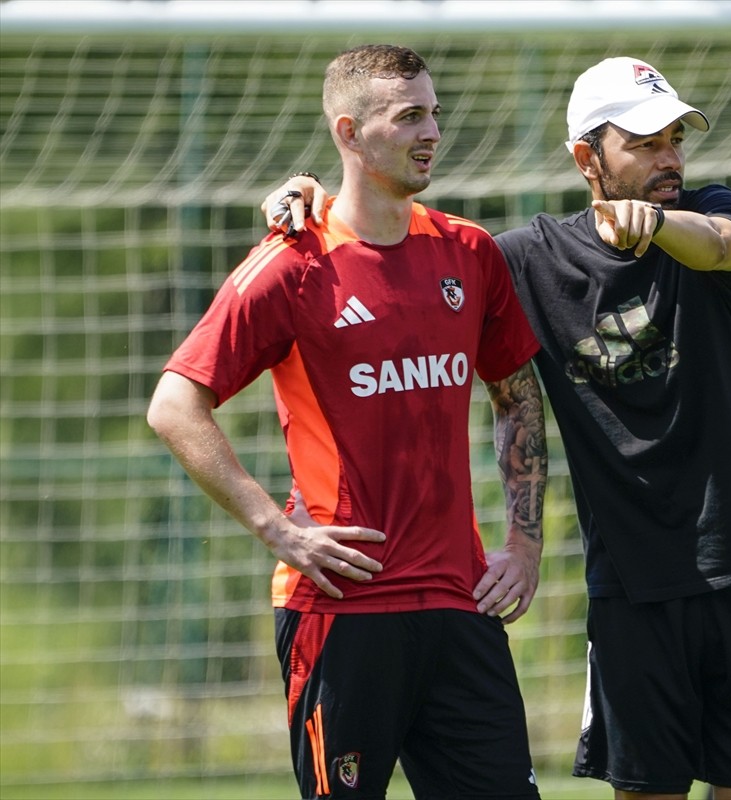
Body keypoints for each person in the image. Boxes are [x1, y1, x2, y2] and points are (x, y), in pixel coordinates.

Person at [265, 56, 731, 799]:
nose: (671, 158)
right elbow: (407, 251)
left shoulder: (718, 214)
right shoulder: (522, 262)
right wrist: (314, 198)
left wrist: (654, 223)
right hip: (634, 594)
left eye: (677, 139)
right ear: (587, 158)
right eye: (647, 142)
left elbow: (721, 244)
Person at [150, 45, 546, 799]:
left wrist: (523, 545)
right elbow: (174, 403)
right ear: (349, 133)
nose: (432, 131)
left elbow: (516, 395)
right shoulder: (291, 264)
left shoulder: (470, 252)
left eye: (434, 112)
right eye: (408, 117)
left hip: (459, 606)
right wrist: (279, 530)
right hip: (340, 606)